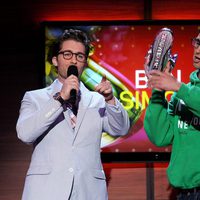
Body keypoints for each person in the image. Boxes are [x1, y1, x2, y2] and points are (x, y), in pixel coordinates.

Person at [16, 28, 130, 200]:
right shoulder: (35, 98)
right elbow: (25, 133)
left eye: (80, 56)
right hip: (46, 191)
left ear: (84, 62)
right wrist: (60, 98)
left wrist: (110, 100)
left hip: (88, 191)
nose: (74, 60)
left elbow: (120, 129)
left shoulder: (97, 100)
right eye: (67, 54)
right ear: (55, 60)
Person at [144, 30, 200, 200]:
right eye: (197, 43)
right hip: (185, 194)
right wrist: (158, 90)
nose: (197, 50)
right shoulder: (181, 95)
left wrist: (178, 87)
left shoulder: (182, 91)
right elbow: (161, 137)